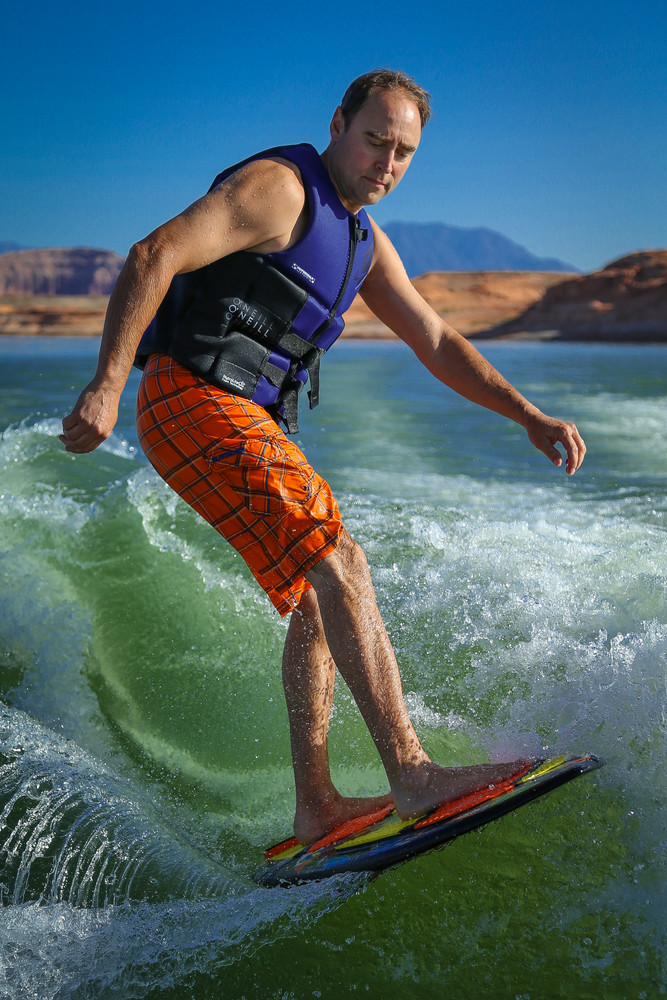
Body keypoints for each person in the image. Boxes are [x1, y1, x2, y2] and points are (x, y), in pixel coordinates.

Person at [61, 69, 586, 846]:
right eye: (375, 140)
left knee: (318, 597)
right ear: (338, 124)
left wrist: (526, 415)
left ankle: (316, 806)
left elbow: (435, 339)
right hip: (192, 396)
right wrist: (106, 384)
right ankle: (412, 773)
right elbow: (153, 253)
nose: (386, 162)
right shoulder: (278, 189)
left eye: (403, 152)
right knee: (341, 560)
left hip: (238, 414)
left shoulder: (363, 242)